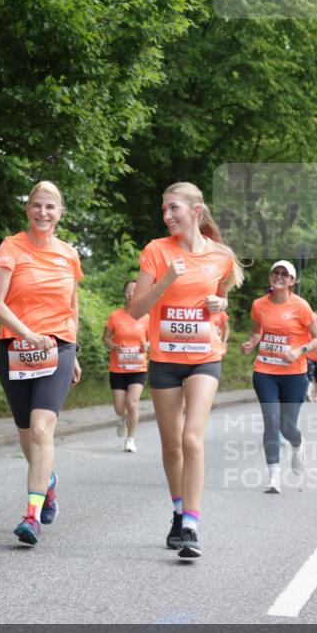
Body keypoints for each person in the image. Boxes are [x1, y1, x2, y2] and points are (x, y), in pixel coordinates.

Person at [130, 182, 243, 559]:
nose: (167, 216)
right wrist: (166, 280)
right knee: (171, 443)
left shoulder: (221, 256)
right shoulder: (156, 251)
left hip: (203, 357)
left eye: (173, 208)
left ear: (196, 210)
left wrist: (219, 305)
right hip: (164, 361)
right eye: (164, 209)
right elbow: (135, 310)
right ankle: (178, 512)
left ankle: (191, 525)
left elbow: (220, 301)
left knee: (192, 438)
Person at [0, 181, 82, 546]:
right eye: (37, 206)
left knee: (42, 429)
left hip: (58, 346)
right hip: (16, 347)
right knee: (27, 433)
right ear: (27, 209)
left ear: (60, 213)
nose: (43, 212)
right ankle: (49, 482)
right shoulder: (11, 247)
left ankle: (32, 515)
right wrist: (26, 333)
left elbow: (72, 306)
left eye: (50, 207)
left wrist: (74, 352)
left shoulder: (69, 254)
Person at [241, 261, 317, 495]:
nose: (279, 277)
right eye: (275, 273)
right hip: (265, 371)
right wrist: (251, 343)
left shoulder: (301, 306)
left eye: (284, 274)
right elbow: (257, 331)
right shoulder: (259, 304)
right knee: (271, 420)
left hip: (294, 375)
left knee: (287, 427)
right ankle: (274, 475)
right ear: (270, 277)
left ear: (292, 281)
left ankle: (297, 444)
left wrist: (299, 351)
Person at [102, 280, 149, 453]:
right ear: (124, 294)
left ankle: (130, 439)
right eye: (129, 291)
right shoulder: (115, 316)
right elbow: (105, 337)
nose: (132, 294)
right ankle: (122, 417)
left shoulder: (146, 317)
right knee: (120, 408)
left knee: (132, 404)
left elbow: (153, 340)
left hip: (138, 368)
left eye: (135, 291)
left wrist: (147, 345)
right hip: (118, 368)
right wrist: (114, 347)